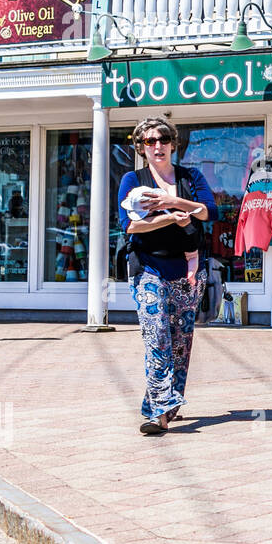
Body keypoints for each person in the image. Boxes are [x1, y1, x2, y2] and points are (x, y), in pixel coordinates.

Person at [118, 116, 217, 435]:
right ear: (141, 147)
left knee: (180, 343)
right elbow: (130, 225)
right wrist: (168, 219)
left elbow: (210, 212)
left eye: (162, 139)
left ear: (174, 144)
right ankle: (157, 412)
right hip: (147, 267)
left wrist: (174, 202)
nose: (157, 145)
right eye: (149, 141)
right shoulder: (133, 180)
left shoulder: (191, 177)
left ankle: (169, 401)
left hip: (188, 271)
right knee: (157, 335)